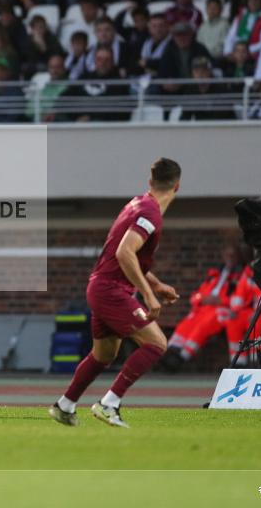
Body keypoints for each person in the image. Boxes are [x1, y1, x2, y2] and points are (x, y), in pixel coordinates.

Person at [50, 158, 181, 428]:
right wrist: (148, 294)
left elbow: (126, 255)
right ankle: (109, 403)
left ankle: (64, 406)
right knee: (156, 344)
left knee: (104, 355)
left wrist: (155, 284)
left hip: (102, 287)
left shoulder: (136, 204)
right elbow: (124, 252)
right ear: (177, 186)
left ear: (150, 182)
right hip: (111, 290)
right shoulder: (150, 213)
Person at [165, 245, 245, 369]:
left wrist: (220, 301)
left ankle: (183, 356)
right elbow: (196, 295)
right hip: (204, 307)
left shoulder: (240, 276)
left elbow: (240, 298)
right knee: (189, 321)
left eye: (232, 255)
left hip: (222, 309)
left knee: (206, 323)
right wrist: (202, 299)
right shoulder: (214, 274)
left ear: (238, 257)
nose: (229, 258)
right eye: (227, 255)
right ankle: (172, 350)